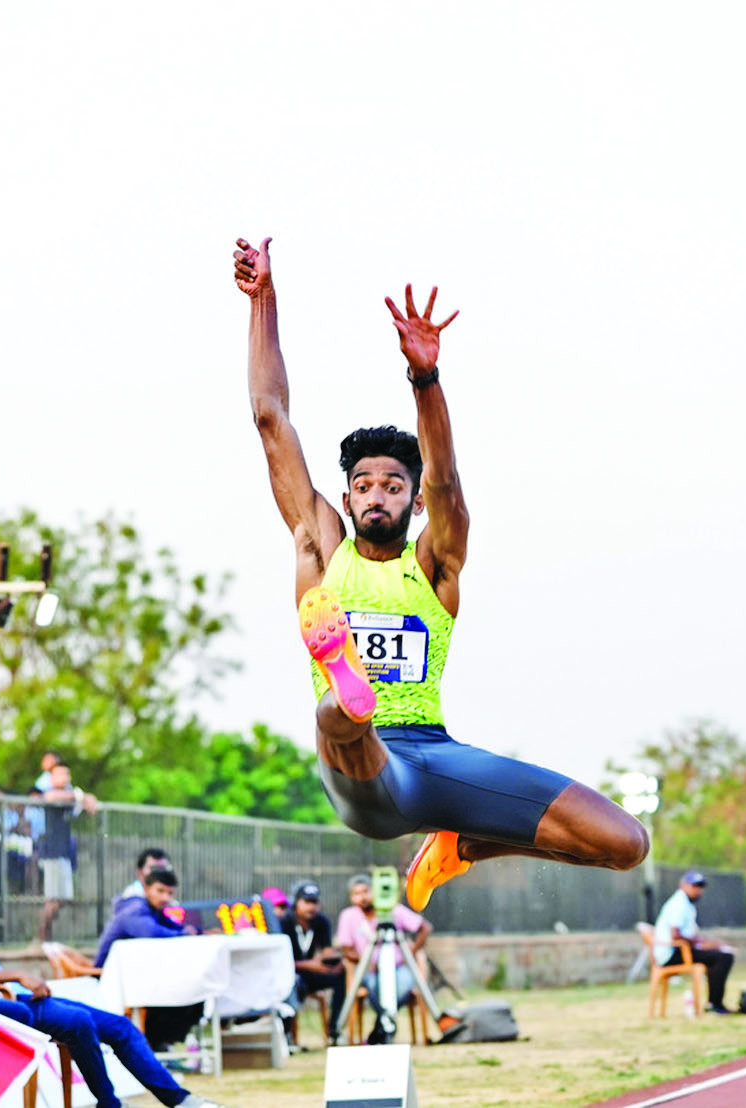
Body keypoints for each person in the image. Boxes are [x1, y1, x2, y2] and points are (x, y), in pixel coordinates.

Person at [233, 237, 650, 912]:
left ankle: (459, 846)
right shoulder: (320, 550)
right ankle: (347, 684)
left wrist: (424, 379)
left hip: (436, 756)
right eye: (362, 485)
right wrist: (263, 301)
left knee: (624, 842)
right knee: (340, 714)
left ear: (413, 500)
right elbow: (268, 417)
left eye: (392, 486)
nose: (375, 495)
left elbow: (448, 478)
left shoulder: (434, 565)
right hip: (364, 769)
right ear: (345, 501)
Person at [0, 851, 234, 1108]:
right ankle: (109, 1103)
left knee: (120, 1027)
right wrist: (17, 974)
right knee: (78, 1021)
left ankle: (179, 1100)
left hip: (15, 999)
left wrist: (16, 981)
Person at [335, 874, 430, 1043]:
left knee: (401, 984)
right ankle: (385, 1024)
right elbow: (345, 948)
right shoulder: (348, 916)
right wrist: (366, 961)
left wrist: (414, 950)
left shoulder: (394, 910)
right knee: (374, 985)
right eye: (356, 894)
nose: (362, 897)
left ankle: (382, 1025)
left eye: (366, 891)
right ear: (351, 897)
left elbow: (425, 927)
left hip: (399, 967)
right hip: (369, 971)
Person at [654, 870, 735, 1015]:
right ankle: (715, 1004)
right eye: (695, 886)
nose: (698, 890)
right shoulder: (679, 904)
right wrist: (700, 944)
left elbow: (689, 934)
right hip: (672, 953)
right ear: (683, 886)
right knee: (723, 957)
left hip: (681, 949)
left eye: (701, 886)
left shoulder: (686, 903)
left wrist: (704, 943)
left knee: (719, 954)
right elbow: (676, 936)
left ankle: (714, 1003)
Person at [36, 763, 96, 942]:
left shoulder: (70, 798)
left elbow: (90, 808)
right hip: (52, 853)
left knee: (62, 898)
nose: (64, 777)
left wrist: (84, 799)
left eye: (66, 773)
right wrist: (80, 796)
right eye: (60, 773)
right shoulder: (53, 794)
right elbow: (49, 797)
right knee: (52, 899)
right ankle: (41, 937)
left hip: (64, 854)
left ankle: (46, 936)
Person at [279, 881, 346, 1042]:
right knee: (291, 982)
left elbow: (326, 950)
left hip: (309, 971)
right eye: (307, 902)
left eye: (315, 902)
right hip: (287, 972)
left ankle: (334, 1028)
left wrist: (331, 960)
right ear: (296, 903)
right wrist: (311, 964)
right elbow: (279, 962)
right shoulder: (284, 922)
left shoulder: (321, 922)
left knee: (341, 975)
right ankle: (286, 1033)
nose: (311, 907)